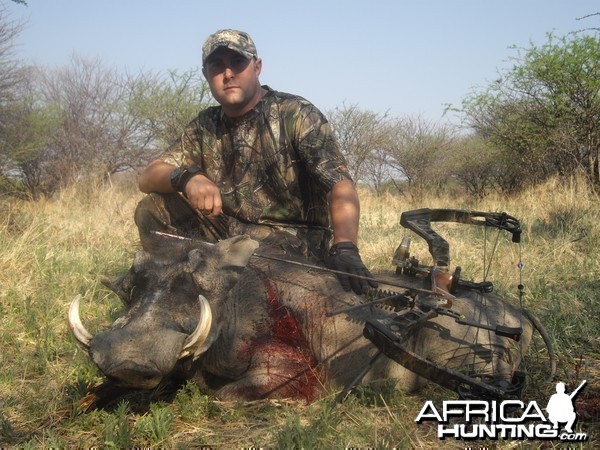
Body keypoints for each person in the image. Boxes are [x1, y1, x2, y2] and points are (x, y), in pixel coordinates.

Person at [136, 29, 376, 295]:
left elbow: (339, 185)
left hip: (292, 245)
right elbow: (148, 176)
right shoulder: (204, 125)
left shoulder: (296, 113)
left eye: (237, 62)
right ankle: (170, 292)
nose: (228, 74)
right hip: (230, 236)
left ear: (257, 67)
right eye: (217, 66)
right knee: (152, 208)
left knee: (248, 275)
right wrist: (187, 177)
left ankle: (208, 286)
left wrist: (345, 248)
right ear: (206, 75)